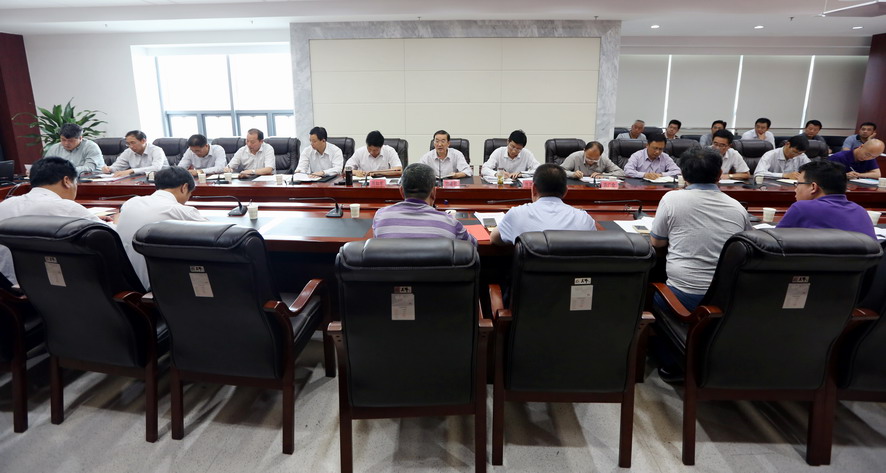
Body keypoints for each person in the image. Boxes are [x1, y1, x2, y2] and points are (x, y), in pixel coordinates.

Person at [650, 147, 753, 313]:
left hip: (681, 296)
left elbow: (657, 242)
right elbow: (748, 246)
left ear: (683, 174)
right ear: (720, 174)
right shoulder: (737, 207)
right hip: (726, 299)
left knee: (648, 289)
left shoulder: (671, 199)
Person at [0, 157, 105, 286]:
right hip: (61, 288)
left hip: (10, 289)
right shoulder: (67, 207)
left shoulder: (5, 205)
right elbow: (110, 237)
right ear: (67, 181)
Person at [115, 167, 209, 289]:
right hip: (155, 288)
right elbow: (216, 236)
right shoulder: (180, 211)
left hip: (123, 282)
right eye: (190, 194)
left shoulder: (131, 202)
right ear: (184, 187)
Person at [490, 164, 596, 245]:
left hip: (529, 268)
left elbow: (494, 239)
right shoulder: (584, 218)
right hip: (571, 269)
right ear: (565, 191)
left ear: (533, 189)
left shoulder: (517, 214)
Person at [372, 163, 476, 245]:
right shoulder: (450, 223)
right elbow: (473, 245)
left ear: (401, 191)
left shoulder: (380, 216)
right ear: (433, 193)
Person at [776, 161, 876, 240]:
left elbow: (775, 243)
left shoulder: (802, 208)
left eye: (798, 184)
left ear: (813, 187)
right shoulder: (860, 211)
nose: (796, 189)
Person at [102, 130, 166, 177]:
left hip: (161, 180)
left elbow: (156, 168)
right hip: (138, 180)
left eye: (133, 143)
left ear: (143, 141)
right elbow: (118, 166)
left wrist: (132, 171)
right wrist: (109, 169)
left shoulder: (156, 150)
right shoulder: (128, 152)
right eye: (128, 144)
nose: (131, 146)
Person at [560, 141, 625, 179]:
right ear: (584, 150)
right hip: (577, 186)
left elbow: (621, 173)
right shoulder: (575, 156)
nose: (591, 161)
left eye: (595, 159)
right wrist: (573, 174)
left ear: (600, 155)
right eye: (588, 158)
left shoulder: (604, 159)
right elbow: (560, 171)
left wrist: (603, 175)